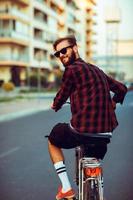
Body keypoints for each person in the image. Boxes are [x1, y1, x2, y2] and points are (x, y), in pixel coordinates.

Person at [47, 35, 127, 200]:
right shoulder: (97, 70)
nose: (61, 55)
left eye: (64, 50)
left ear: (75, 48)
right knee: (93, 158)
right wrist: (113, 103)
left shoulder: (72, 70)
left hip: (82, 130)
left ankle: (67, 189)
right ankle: (97, 188)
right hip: (105, 134)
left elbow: (63, 94)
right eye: (57, 54)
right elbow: (122, 89)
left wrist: (55, 105)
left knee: (53, 138)